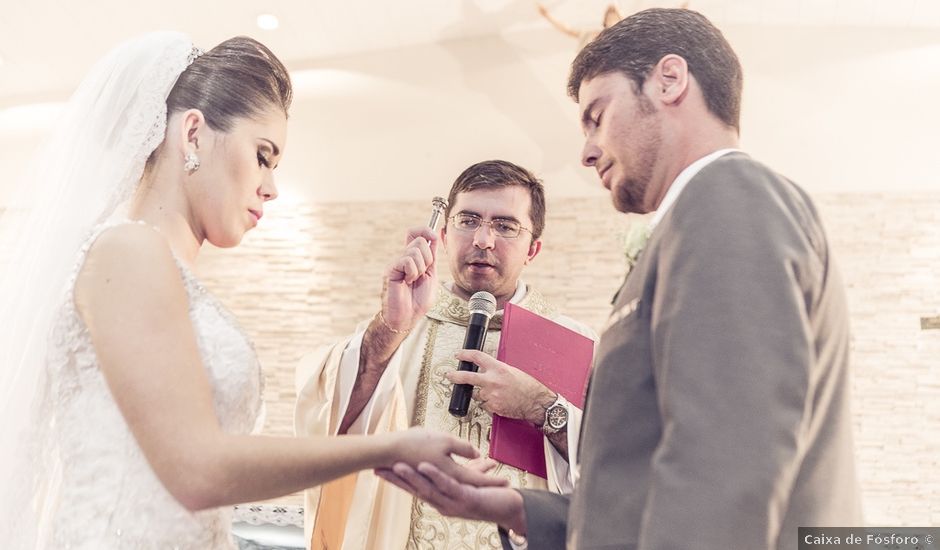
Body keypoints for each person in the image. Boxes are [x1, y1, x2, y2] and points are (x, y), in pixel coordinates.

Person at [376, 8, 863, 550]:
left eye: (597, 117)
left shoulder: (730, 200)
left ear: (669, 81)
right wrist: (514, 506)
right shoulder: (691, 223)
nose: (585, 152)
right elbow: (647, 483)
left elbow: (729, 471)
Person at [0, 32, 500, 550]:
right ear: (193, 133)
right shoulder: (127, 252)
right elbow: (196, 468)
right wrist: (389, 449)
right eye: (263, 156)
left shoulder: (167, 275)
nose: (272, 187)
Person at [294, 160, 596, 549]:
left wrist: (542, 408)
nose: (483, 240)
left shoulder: (571, 342)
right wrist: (390, 327)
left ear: (532, 249)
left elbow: (619, 467)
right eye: (468, 220)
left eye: (505, 226)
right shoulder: (399, 327)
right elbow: (327, 421)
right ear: (443, 233)